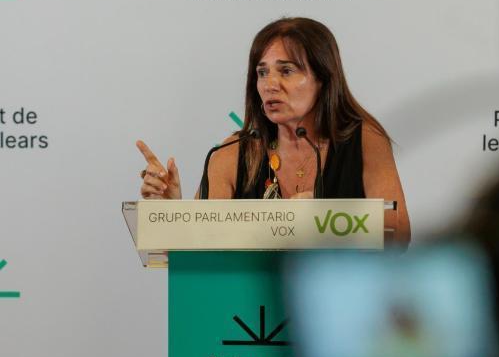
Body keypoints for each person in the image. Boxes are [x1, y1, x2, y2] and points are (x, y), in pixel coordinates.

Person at [136, 17, 410, 245]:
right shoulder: (233, 152)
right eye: (262, 73)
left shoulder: (362, 140)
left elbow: (398, 233)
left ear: (323, 79)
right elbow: (197, 251)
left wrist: (321, 221)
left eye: (286, 71)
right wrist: (171, 213)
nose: (269, 85)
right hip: (251, 296)